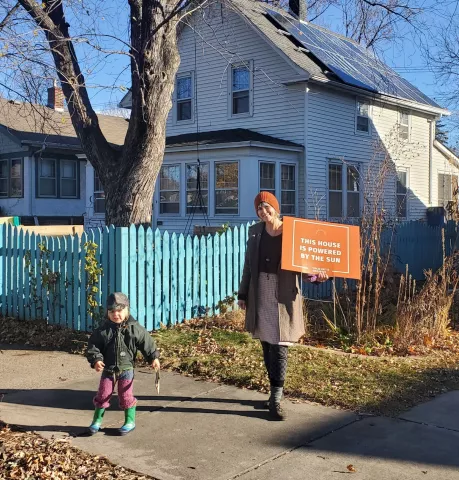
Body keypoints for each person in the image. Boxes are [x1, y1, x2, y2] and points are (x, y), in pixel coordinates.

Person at [238, 192, 328, 421]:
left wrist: (317, 276)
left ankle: (276, 398)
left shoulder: (293, 231)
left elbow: (305, 265)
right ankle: (273, 393)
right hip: (261, 291)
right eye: (259, 208)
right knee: (267, 344)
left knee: (280, 345)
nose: (263, 212)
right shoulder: (256, 232)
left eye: (267, 207)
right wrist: (243, 293)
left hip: (284, 293)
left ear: (276, 209)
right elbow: (249, 265)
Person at [86, 292, 160, 435]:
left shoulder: (134, 328)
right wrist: (96, 360)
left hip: (126, 369)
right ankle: (96, 421)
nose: (116, 314)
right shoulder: (103, 330)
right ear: (107, 313)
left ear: (127, 310)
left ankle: (130, 421)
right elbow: (93, 346)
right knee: (103, 395)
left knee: (125, 395)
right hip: (108, 370)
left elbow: (147, 343)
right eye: (112, 311)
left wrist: (153, 357)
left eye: (119, 311)